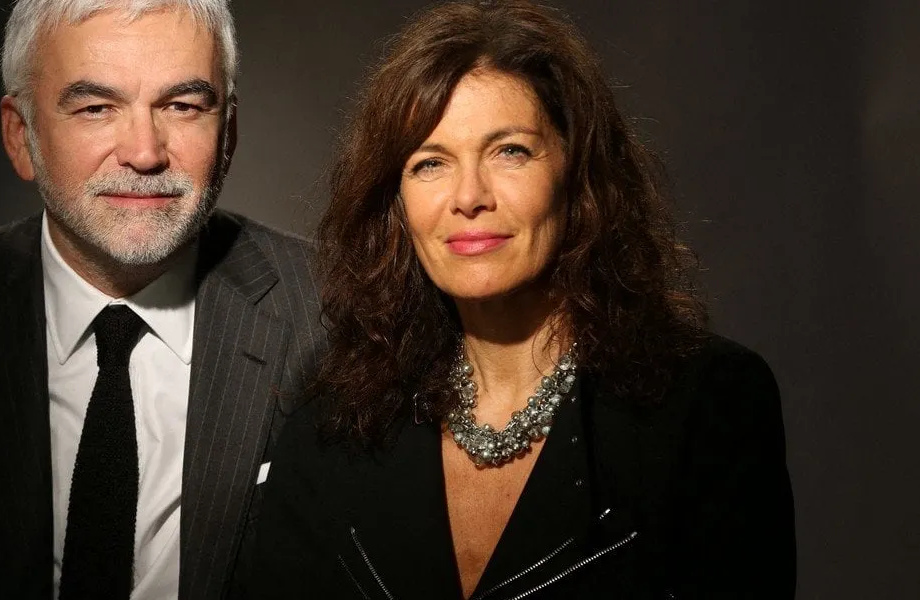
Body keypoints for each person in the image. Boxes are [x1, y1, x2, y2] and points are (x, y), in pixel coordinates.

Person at [251, 1, 795, 598]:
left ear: (577, 174)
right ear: (396, 204)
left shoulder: (710, 403)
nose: (469, 197)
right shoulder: (334, 421)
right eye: (430, 163)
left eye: (510, 151)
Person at [0, 1, 323, 598]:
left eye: (182, 106)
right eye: (96, 109)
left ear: (229, 132)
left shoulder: (330, 311)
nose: (144, 152)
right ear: (21, 136)